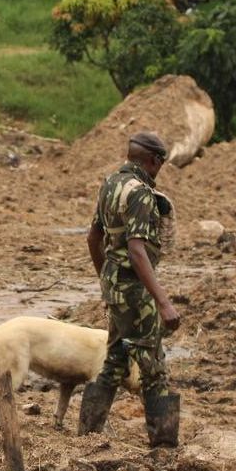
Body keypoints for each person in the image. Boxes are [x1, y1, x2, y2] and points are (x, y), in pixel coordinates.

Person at [78, 131, 182, 447]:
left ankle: (87, 433)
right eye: (160, 164)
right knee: (153, 367)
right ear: (153, 161)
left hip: (116, 287)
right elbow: (137, 250)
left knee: (116, 359)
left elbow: (93, 238)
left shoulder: (111, 184)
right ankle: (164, 445)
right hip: (135, 291)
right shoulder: (140, 194)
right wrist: (163, 302)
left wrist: (106, 282)